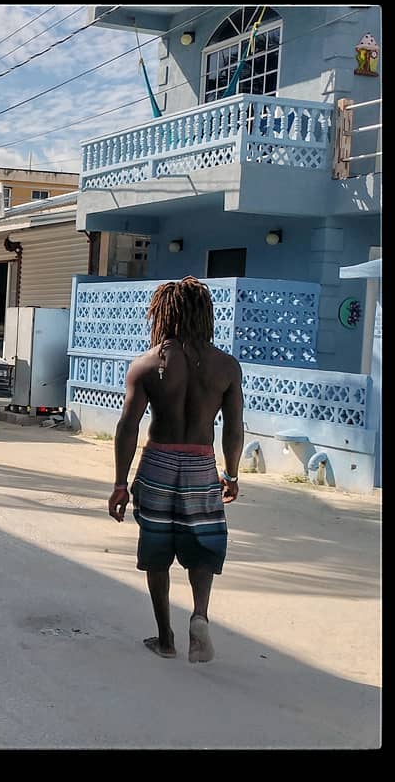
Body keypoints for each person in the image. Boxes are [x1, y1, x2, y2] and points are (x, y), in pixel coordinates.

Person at [108, 276, 243, 664]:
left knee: (157, 548)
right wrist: (231, 474)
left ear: (162, 314)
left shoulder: (147, 364)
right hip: (201, 463)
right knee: (202, 545)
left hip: (159, 465)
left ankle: (165, 637)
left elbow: (127, 426)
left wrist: (120, 483)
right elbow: (234, 428)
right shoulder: (226, 367)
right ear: (205, 315)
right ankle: (199, 617)